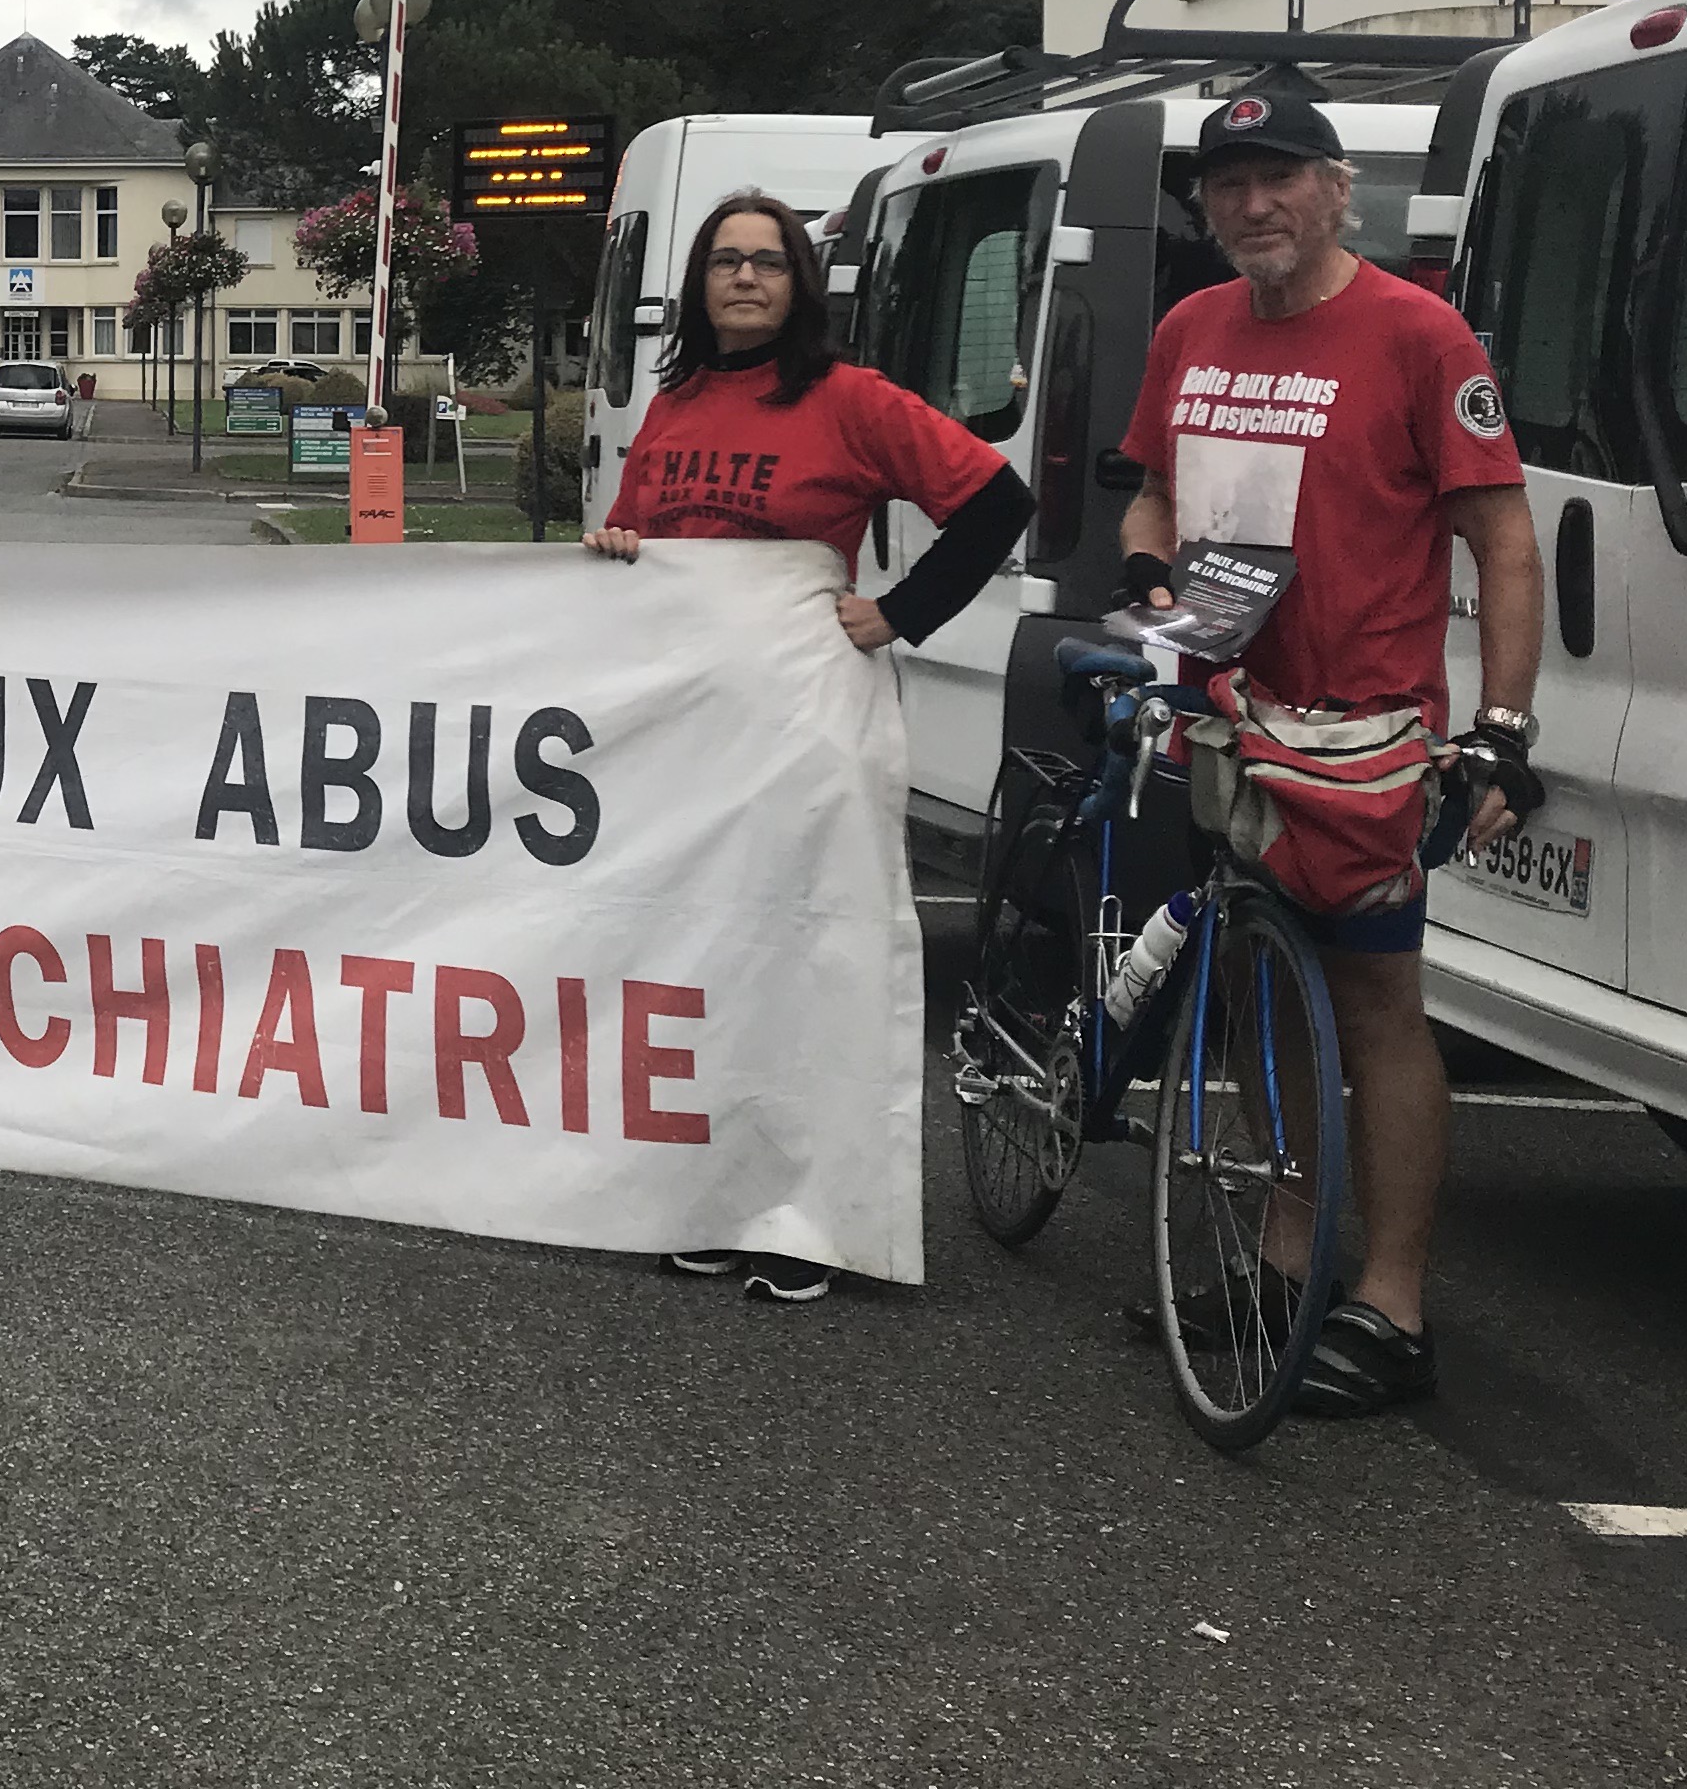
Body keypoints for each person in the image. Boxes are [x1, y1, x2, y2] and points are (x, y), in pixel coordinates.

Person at [1118, 87, 1539, 1416]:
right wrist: (1145, 568)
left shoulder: (1419, 335)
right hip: (1227, 711)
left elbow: (1503, 541)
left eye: (1281, 178)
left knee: (1377, 1011)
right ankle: (1283, 1267)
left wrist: (1503, 734)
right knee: (1255, 991)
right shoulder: (1190, 327)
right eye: (1230, 184)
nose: (1254, 204)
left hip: (1363, 742)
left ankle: (1394, 1307)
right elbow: (1153, 490)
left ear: (1339, 187)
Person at [584, 187, 1033, 1302]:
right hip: (698, 737)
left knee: (809, 965)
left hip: (807, 725)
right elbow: (646, 539)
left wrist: (901, 610)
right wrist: (614, 543)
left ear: (799, 285)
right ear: (697, 285)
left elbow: (994, 501)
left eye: (768, 263)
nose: (744, 278)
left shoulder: (849, 400)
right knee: (709, 962)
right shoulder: (676, 402)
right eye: (726, 261)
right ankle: (719, 1194)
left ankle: (812, 1218)